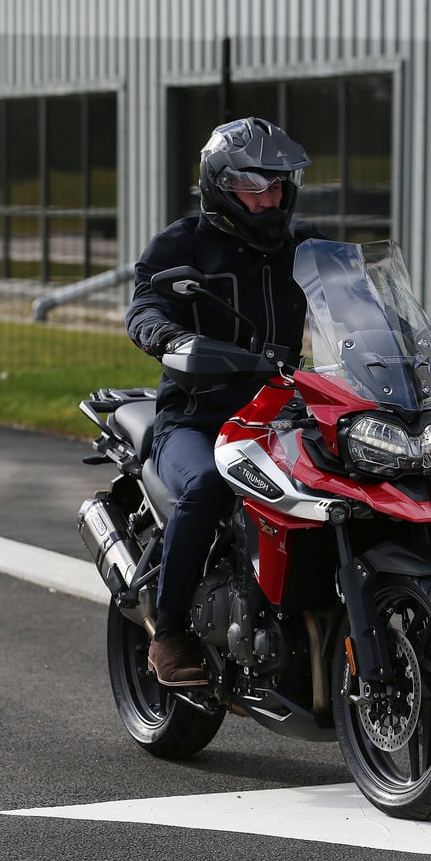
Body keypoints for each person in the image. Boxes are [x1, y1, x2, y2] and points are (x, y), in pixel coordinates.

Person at [126, 117, 317, 687]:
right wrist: (172, 338)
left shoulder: (307, 247)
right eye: (251, 189)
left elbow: (361, 303)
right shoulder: (182, 244)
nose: (266, 200)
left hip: (282, 414)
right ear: (219, 185)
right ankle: (171, 631)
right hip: (197, 417)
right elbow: (143, 309)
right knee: (210, 484)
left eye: (276, 187)